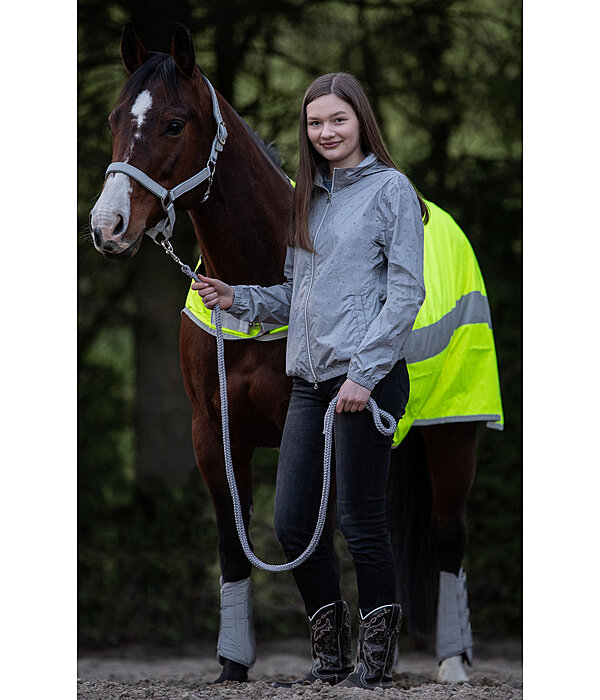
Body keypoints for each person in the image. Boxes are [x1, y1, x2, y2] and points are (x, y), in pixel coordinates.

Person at [192, 72, 428, 690]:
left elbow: (405, 296)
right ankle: (331, 655)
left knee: (361, 522)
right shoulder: (309, 199)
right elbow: (298, 297)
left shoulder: (392, 191)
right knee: (294, 522)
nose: (326, 132)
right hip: (310, 382)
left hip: (365, 382)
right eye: (315, 123)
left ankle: (375, 664)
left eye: (338, 121)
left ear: (361, 123)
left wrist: (364, 374)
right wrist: (236, 296)